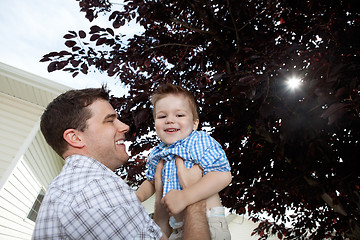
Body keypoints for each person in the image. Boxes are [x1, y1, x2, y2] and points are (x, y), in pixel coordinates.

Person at [32, 86, 210, 240]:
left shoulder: (67, 187)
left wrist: (159, 202)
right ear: (75, 137)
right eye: (109, 120)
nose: (124, 126)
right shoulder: (96, 188)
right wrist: (194, 196)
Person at [136, 83, 232, 240]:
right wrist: (136, 197)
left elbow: (222, 174)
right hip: (178, 226)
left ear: (195, 123)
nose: (170, 120)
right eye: (162, 116)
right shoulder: (157, 153)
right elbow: (152, 181)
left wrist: (186, 197)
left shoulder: (198, 141)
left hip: (209, 221)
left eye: (179, 115)